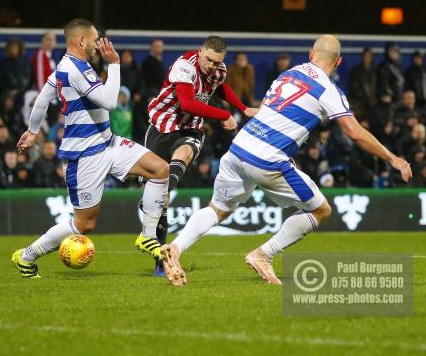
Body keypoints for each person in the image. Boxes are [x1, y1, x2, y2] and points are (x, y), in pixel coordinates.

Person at [160, 35, 412, 287]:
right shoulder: (328, 88)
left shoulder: (290, 72)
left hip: (240, 146)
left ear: (311, 54)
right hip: (268, 158)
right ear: (339, 61)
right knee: (320, 210)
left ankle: (176, 247)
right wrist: (392, 158)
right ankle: (263, 255)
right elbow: (354, 132)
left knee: (218, 209)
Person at [11, 18, 169, 279]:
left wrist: (32, 130)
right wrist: (115, 64)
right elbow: (109, 102)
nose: (98, 45)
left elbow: (41, 99)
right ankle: (26, 256)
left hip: (108, 142)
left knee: (160, 169)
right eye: (95, 40)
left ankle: (148, 236)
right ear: (82, 40)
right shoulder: (76, 69)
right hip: (84, 156)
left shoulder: (67, 66)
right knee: (84, 224)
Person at [145, 35, 257, 275]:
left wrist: (242, 108)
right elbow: (186, 103)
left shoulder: (218, 70)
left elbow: (221, 87)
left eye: (217, 62)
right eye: (208, 60)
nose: (212, 66)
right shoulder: (185, 65)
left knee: (184, 153)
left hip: (190, 128)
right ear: (199, 52)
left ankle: (167, 191)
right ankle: (159, 260)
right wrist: (224, 115)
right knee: (157, 207)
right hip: (161, 127)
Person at [348, 48, 377, 119]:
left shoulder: (375, 71)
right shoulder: (356, 70)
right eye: (366, 56)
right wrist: (361, 96)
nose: (367, 58)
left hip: (373, 103)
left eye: (369, 56)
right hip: (359, 103)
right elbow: (353, 86)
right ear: (362, 57)